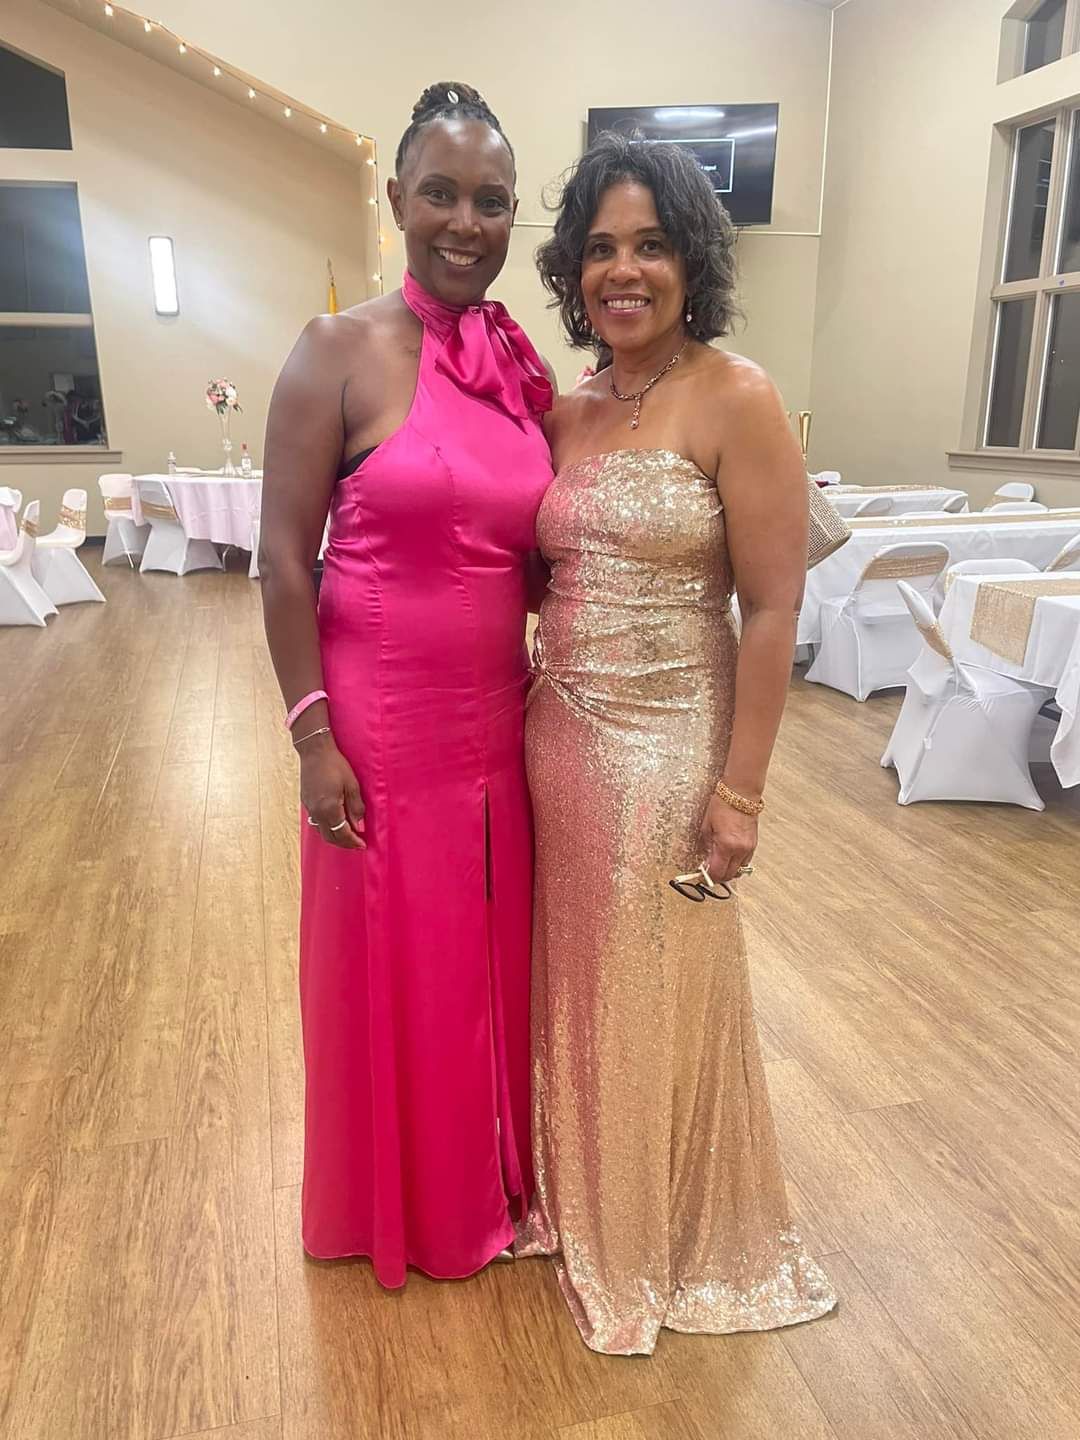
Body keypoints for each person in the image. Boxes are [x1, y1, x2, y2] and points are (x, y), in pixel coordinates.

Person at [517, 132, 837, 1354]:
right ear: (572, 270)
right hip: (557, 731)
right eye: (601, 248)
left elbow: (775, 609)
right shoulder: (569, 409)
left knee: (656, 980)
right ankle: (579, 1190)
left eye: (651, 244)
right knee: (578, 973)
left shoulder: (737, 396)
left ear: (692, 258)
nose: (625, 271)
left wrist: (741, 793)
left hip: (669, 741)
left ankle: (655, 1231)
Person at [258, 81, 553, 1287]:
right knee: (394, 970)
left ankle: (487, 1183)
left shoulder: (517, 367)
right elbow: (284, 560)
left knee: (482, 969)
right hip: (376, 729)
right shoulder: (336, 351)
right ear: (396, 199)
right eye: (441, 193)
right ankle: (397, 1205)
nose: (465, 223)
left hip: (501, 726)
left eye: (491, 201)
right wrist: (309, 736)